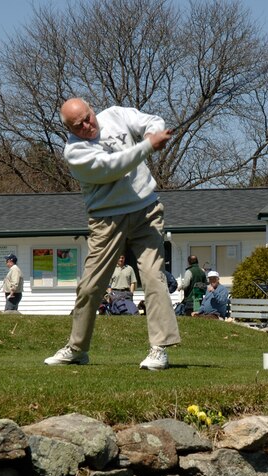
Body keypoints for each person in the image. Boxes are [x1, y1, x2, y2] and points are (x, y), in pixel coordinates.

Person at [44, 97, 180, 370]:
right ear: (68, 129)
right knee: (91, 285)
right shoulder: (75, 152)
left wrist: (154, 133)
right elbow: (114, 166)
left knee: (154, 278)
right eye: (78, 124)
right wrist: (147, 146)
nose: (87, 125)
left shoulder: (115, 115)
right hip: (106, 218)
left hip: (146, 210)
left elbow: (150, 121)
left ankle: (159, 348)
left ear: (92, 110)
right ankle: (77, 349)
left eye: (88, 117)